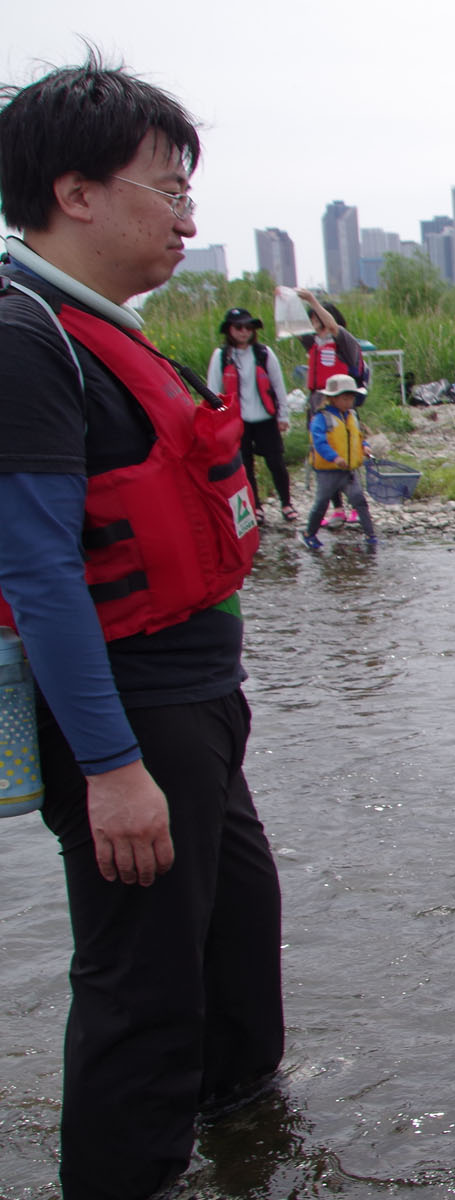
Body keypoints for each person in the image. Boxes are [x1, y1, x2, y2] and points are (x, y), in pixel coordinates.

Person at [0, 57, 281, 1199]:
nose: (186, 217)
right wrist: (112, 767)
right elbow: (38, 566)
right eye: (167, 190)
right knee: (143, 983)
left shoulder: (102, 326)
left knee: (234, 940)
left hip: (196, 695)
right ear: (77, 193)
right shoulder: (26, 338)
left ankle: (249, 1146)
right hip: (133, 711)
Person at [206, 306, 295, 523]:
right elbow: (213, 390)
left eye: (248, 327)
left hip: (265, 418)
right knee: (245, 466)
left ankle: (287, 503)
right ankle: (256, 506)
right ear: (229, 330)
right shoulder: (221, 356)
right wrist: (217, 422)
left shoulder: (264, 353)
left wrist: (283, 416)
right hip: (238, 421)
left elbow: (278, 386)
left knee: (276, 462)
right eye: (239, 327)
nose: (244, 331)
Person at [295, 288, 365, 529]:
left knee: (347, 449)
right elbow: (292, 328)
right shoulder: (313, 344)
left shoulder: (343, 341)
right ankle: (337, 508)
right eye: (313, 321)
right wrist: (286, 301)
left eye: (319, 320)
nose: (316, 326)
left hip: (341, 404)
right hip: (318, 404)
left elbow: (333, 327)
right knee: (324, 453)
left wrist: (312, 300)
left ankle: (356, 504)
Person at [300, 374, 378, 551]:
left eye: (351, 397)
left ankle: (370, 535)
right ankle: (309, 534)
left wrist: (364, 446)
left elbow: (357, 436)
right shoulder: (322, 418)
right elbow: (319, 442)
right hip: (328, 471)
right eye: (345, 398)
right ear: (332, 399)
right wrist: (334, 457)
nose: (349, 401)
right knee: (322, 503)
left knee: (359, 501)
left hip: (349, 470)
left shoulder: (352, 415)